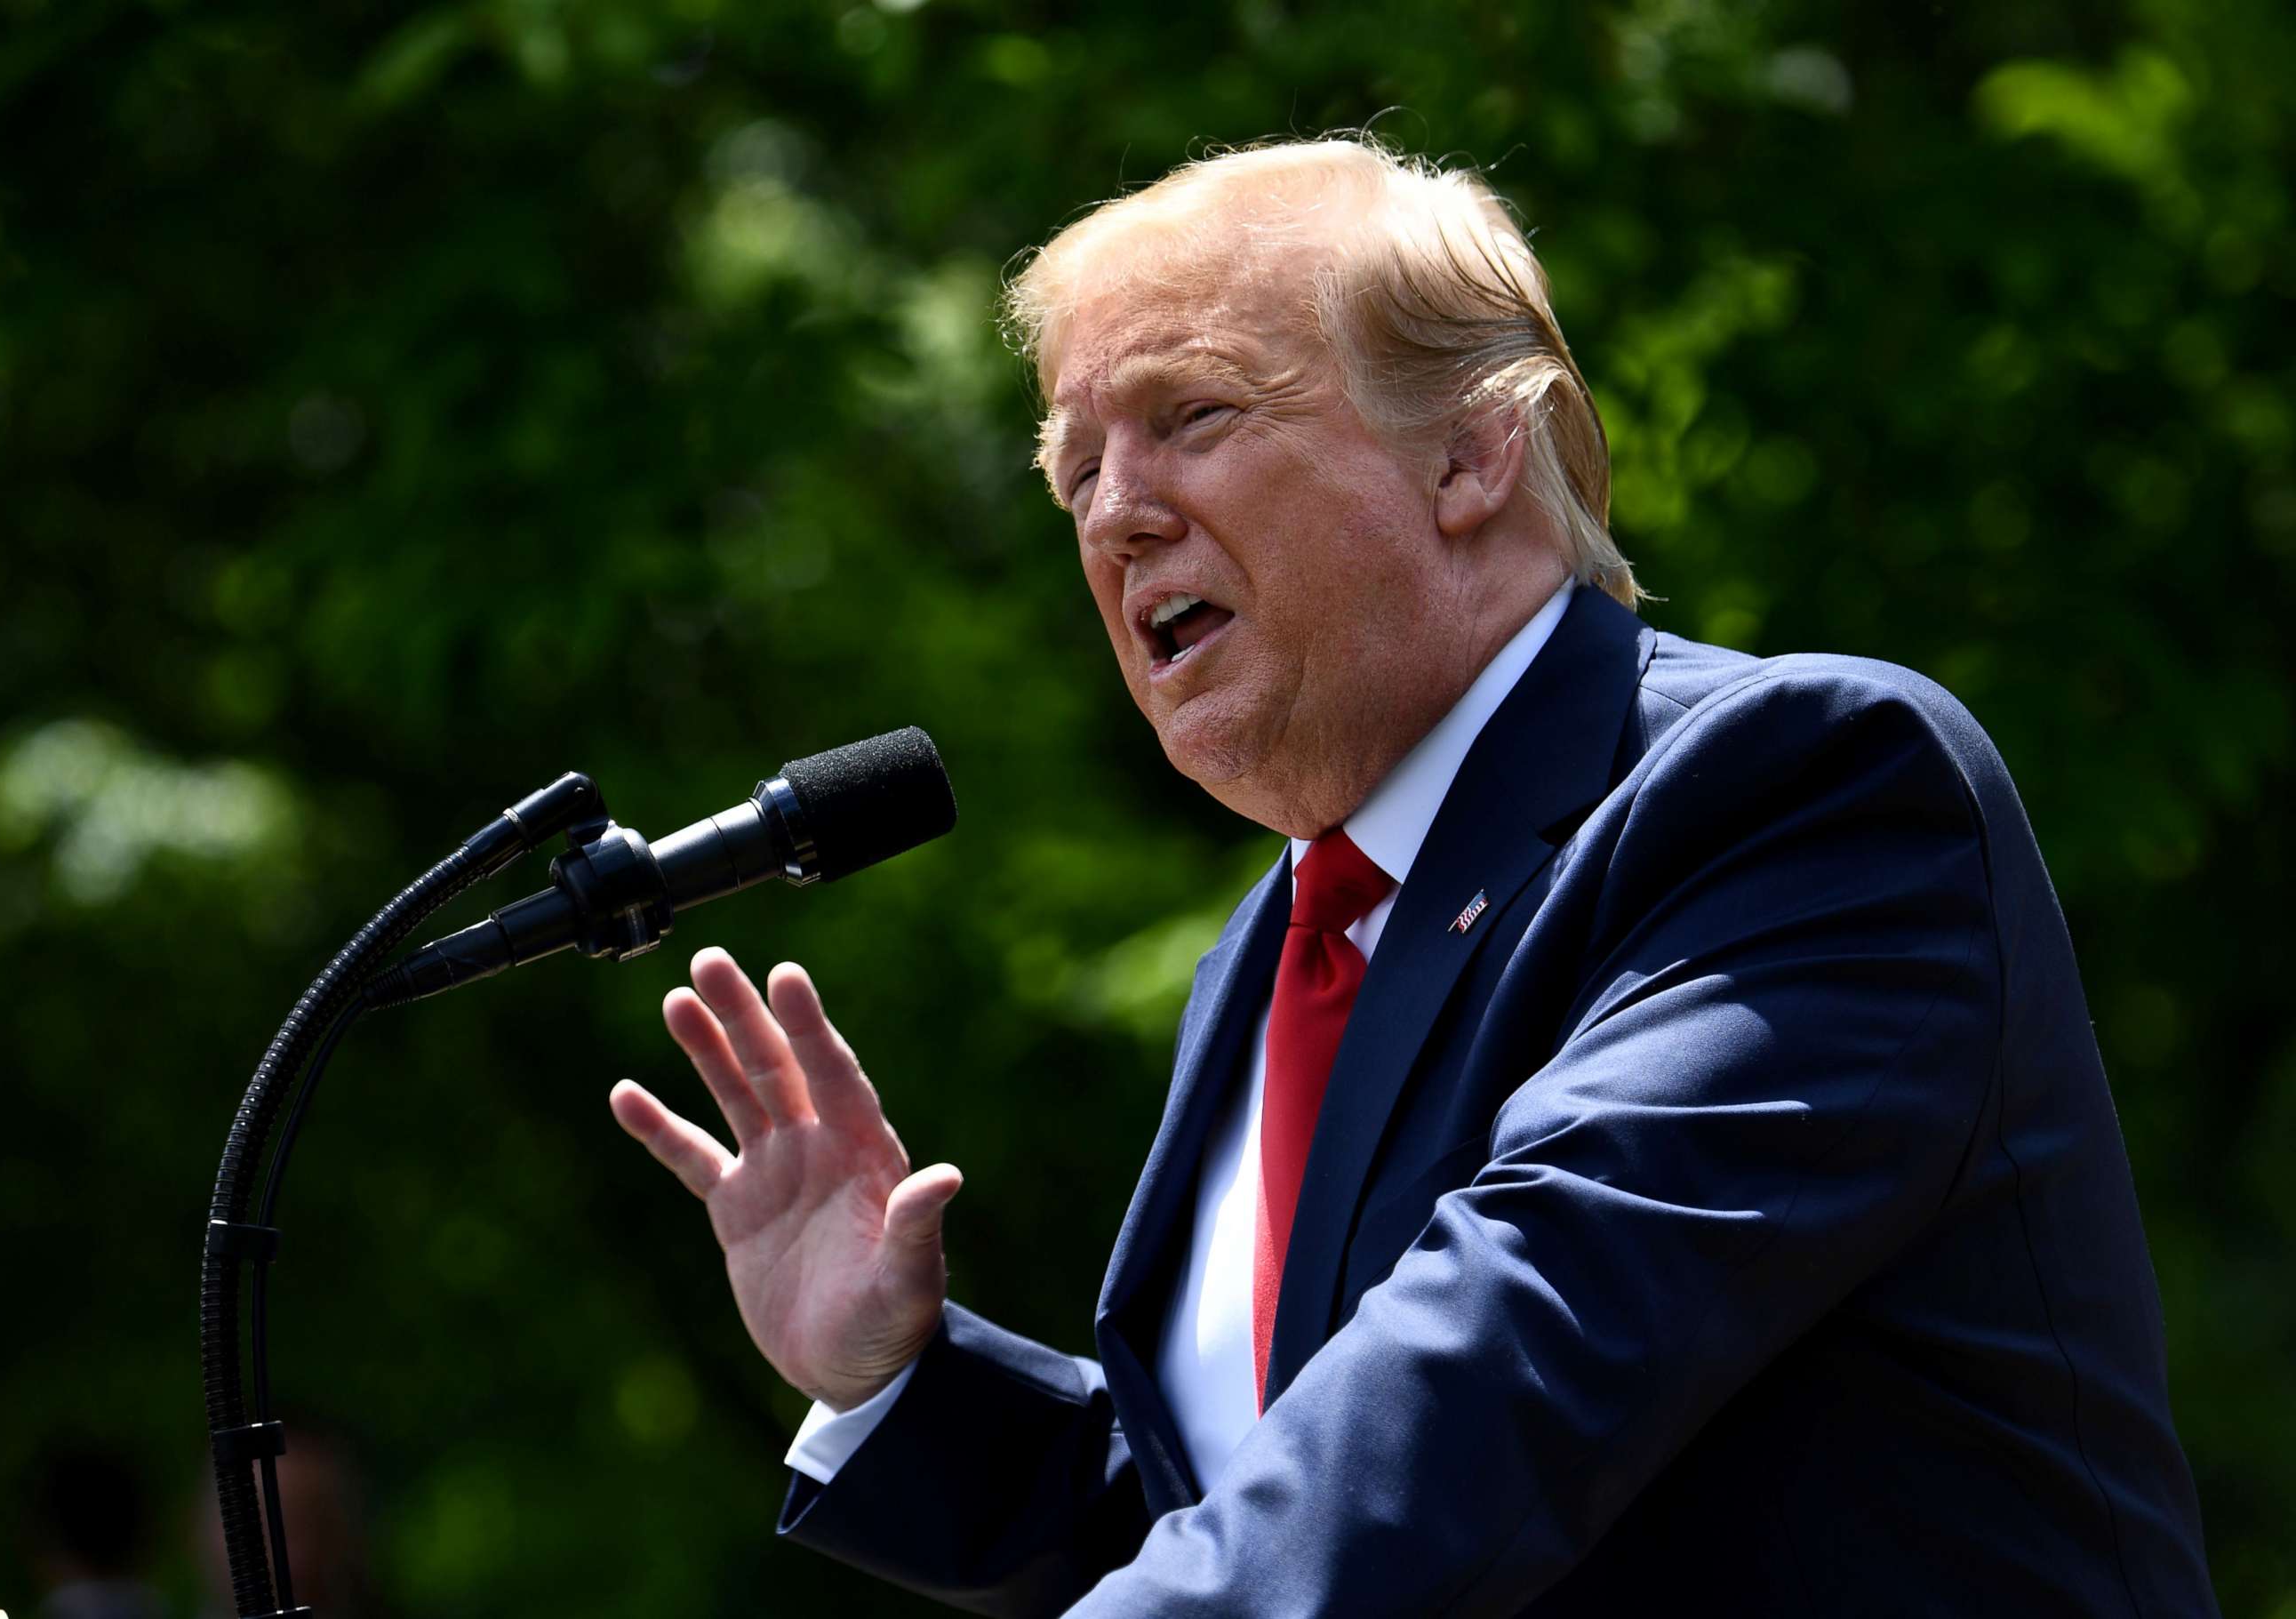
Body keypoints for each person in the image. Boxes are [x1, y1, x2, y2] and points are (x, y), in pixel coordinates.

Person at [606, 137, 2218, 1615]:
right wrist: (903, 1379)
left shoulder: (1800, 790)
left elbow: (1494, 1394)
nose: (1113, 513)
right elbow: (1244, 1505)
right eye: (1073, 470)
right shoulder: (1279, 950)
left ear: (1471, 454)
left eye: (1192, 415)